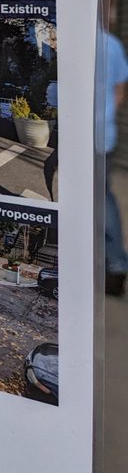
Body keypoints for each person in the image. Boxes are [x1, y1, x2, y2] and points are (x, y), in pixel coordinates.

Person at [100, 30, 128, 296]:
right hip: (103, 136)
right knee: (103, 196)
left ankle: (114, 263)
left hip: (84, 139)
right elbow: (119, 91)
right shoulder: (111, 44)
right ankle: (116, 264)